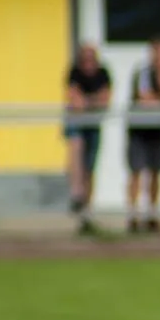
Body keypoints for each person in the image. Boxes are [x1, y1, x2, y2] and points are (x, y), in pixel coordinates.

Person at [125, 36, 160, 234]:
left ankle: (152, 214)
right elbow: (144, 98)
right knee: (137, 171)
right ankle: (133, 215)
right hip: (139, 130)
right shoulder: (142, 73)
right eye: (158, 52)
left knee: (157, 172)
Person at [63, 43, 111, 235]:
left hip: (93, 125)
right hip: (77, 123)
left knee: (90, 167)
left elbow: (105, 100)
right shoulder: (74, 73)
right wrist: (92, 102)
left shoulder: (103, 74)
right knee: (76, 150)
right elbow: (75, 101)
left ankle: (87, 209)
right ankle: (76, 194)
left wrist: (87, 102)